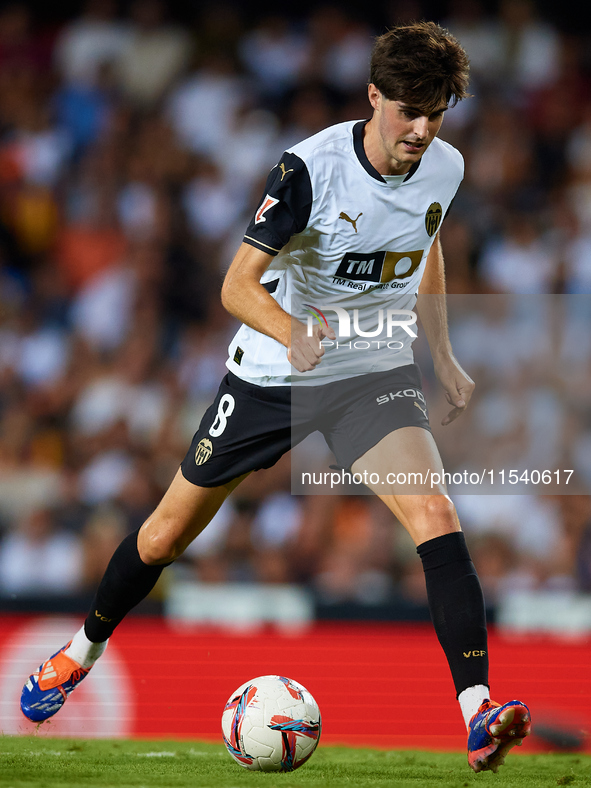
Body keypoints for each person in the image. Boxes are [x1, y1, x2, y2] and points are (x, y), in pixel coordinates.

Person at [21, 21, 530, 773]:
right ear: (372, 97)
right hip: (274, 374)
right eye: (408, 111)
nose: (422, 129)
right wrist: (292, 332)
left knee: (435, 515)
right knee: (164, 537)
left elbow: (426, 242)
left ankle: (477, 711)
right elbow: (235, 287)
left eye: (436, 113)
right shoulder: (307, 170)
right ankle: (79, 650)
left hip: (370, 371)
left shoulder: (444, 166)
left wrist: (443, 355)